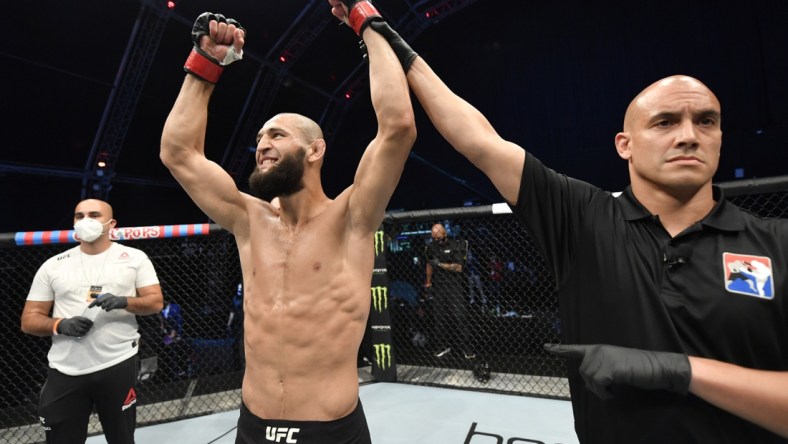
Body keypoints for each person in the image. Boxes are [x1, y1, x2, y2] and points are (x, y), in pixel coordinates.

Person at [335, 10, 788, 443]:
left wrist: (682, 372)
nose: (689, 135)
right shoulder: (583, 219)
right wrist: (373, 25)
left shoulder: (777, 245)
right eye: (665, 122)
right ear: (624, 145)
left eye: (706, 121)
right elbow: (478, 140)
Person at [160, 6, 415, 443]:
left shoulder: (351, 217)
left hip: (331, 429)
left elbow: (397, 127)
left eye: (277, 135)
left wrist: (363, 18)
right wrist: (205, 63)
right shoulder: (248, 220)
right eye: (260, 137)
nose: (262, 144)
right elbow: (178, 153)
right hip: (253, 425)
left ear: (315, 150)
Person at [20, 199, 164, 444]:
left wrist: (124, 301)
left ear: (111, 223)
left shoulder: (134, 258)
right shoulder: (53, 266)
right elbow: (29, 319)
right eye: (79, 215)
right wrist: (60, 324)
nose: (86, 220)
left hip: (117, 363)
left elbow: (155, 302)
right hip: (66, 369)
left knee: (122, 439)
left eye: (94, 215)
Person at [424, 223, 475, 360]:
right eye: (433, 238)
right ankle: (442, 346)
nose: (436, 241)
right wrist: (428, 282)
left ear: (445, 235)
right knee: (439, 318)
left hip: (454, 286)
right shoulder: (431, 247)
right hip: (439, 286)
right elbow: (429, 264)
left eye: (438, 238)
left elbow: (458, 268)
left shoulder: (456, 245)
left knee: (460, 316)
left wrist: (439, 264)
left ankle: (467, 348)